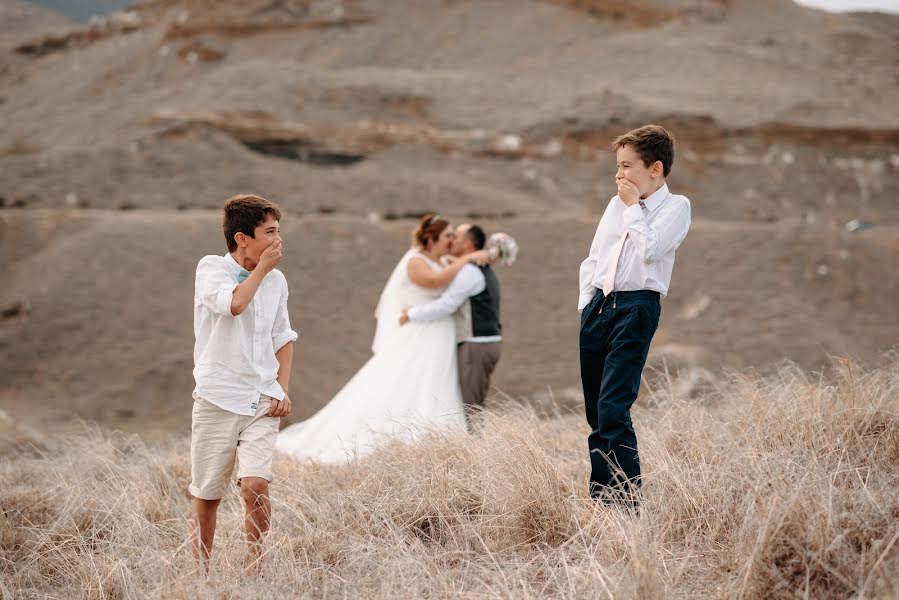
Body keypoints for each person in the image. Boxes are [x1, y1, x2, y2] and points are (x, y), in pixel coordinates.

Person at [275, 214, 490, 462]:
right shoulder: (415, 261)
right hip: (420, 332)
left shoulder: (442, 259)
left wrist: (463, 260)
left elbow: (448, 273)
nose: (452, 240)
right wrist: (468, 259)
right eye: (447, 236)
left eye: (454, 235)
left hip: (439, 333)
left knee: (437, 380)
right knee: (409, 381)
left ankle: (442, 439)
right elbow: (434, 282)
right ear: (431, 239)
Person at [577, 125, 691, 506]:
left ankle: (627, 503)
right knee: (596, 410)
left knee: (614, 406)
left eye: (627, 166)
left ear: (655, 169)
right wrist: (585, 305)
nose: (619, 175)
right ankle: (601, 500)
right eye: (617, 167)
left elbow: (650, 250)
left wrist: (631, 208)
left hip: (636, 307)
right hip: (598, 306)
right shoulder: (615, 206)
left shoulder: (676, 207)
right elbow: (596, 255)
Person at [189, 194, 298, 572]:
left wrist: (281, 388)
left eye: (278, 231)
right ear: (242, 238)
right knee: (208, 494)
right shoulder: (210, 269)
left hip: (261, 400)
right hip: (217, 398)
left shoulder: (277, 280)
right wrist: (262, 270)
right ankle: (201, 570)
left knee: (255, 486)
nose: (277, 240)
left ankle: (258, 566)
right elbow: (233, 305)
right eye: (269, 232)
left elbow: (282, 338)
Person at [400, 224, 503, 415]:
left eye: (456, 236)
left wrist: (412, 314)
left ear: (468, 244)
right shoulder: (476, 267)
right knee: (474, 403)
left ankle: (476, 444)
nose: (451, 240)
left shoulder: (470, 272)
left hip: (476, 345)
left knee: (469, 407)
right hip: (486, 342)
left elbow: (446, 305)